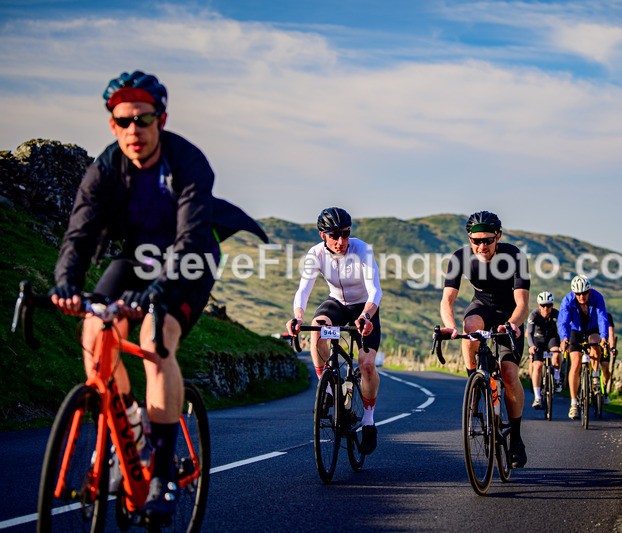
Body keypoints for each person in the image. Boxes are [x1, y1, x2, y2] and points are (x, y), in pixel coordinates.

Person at [51, 71, 267, 521]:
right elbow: (80, 231)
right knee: (95, 331)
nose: (134, 130)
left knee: (156, 337)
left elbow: (190, 238)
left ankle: (163, 474)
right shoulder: (106, 166)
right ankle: (129, 423)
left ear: (160, 120)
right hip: (137, 257)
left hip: (191, 260)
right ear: (112, 124)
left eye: (143, 119)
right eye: (123, 120)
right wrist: (67, 284)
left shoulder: (188, 162)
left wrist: (156, 293)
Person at [287, 207, 382, 454]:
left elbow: (375, 291)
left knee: (367, 365)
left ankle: (369, 421)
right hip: (337, 303)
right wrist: (297, 318)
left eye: (345, 234)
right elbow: (303, 290)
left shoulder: (362, 249)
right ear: (323, 235)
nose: (341, 241)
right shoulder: (316, 254)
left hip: (364, 308)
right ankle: (327, 388)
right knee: (317, 329)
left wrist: (366, 316)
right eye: (335, 235)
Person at [439, 211, 530, 467]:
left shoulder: (514, 256)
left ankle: (516, 438)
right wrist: (450, 326)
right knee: (470, 328)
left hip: (508, 312)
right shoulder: (460, 258)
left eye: (488, 240)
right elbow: (447, 299)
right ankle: (475, 381)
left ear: (498, 237)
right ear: (469, 238)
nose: (482, 246)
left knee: (510, 374)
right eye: (476, 240)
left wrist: (513, 324)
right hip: (481, 306)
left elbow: (522, 302)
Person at [557, 275, 610, 420]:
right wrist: (564, 339)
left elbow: (602, 318)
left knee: (595, 343)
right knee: (575, 363)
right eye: (578, 294)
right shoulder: (568, 300)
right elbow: (563, 322)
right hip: (576, 330)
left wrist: (604, 336)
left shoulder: (597, 297)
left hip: (592, 328)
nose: (581, 297)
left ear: (589, 291)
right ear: (574, 293)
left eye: (584, 293)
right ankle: (574, 403)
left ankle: (594, 376)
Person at [526, 291, 561, 409]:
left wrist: (563, 343)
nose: (546, 308)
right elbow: (529, 333)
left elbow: (562, 329)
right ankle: (537, 397)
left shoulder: (557, 314)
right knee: (537, 365)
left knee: (556, 355)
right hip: (538, 340)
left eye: (549, 305)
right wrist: (531, 346)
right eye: (543, 305)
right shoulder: (534, 315)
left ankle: (556, 379)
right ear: (539, 305)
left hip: (552, 338)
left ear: (552, 305)